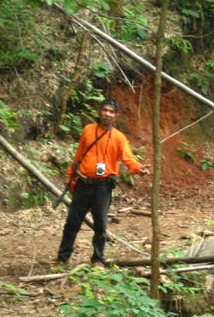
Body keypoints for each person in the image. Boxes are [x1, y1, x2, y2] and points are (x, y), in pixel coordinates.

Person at [56, 98, 149, 265]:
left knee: (100, 225)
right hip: (83, 183)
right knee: (72, 223)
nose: (107, 114)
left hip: (103, 186)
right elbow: (79, 155)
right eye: (105, 110)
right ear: (100, 112)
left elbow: (128, 158)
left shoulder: (119, 138)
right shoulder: (88, 130)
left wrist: (138, 168)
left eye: (111, 112)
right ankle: (63, 258)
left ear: (116, 116)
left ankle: (98, 259)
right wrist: (70, 175)